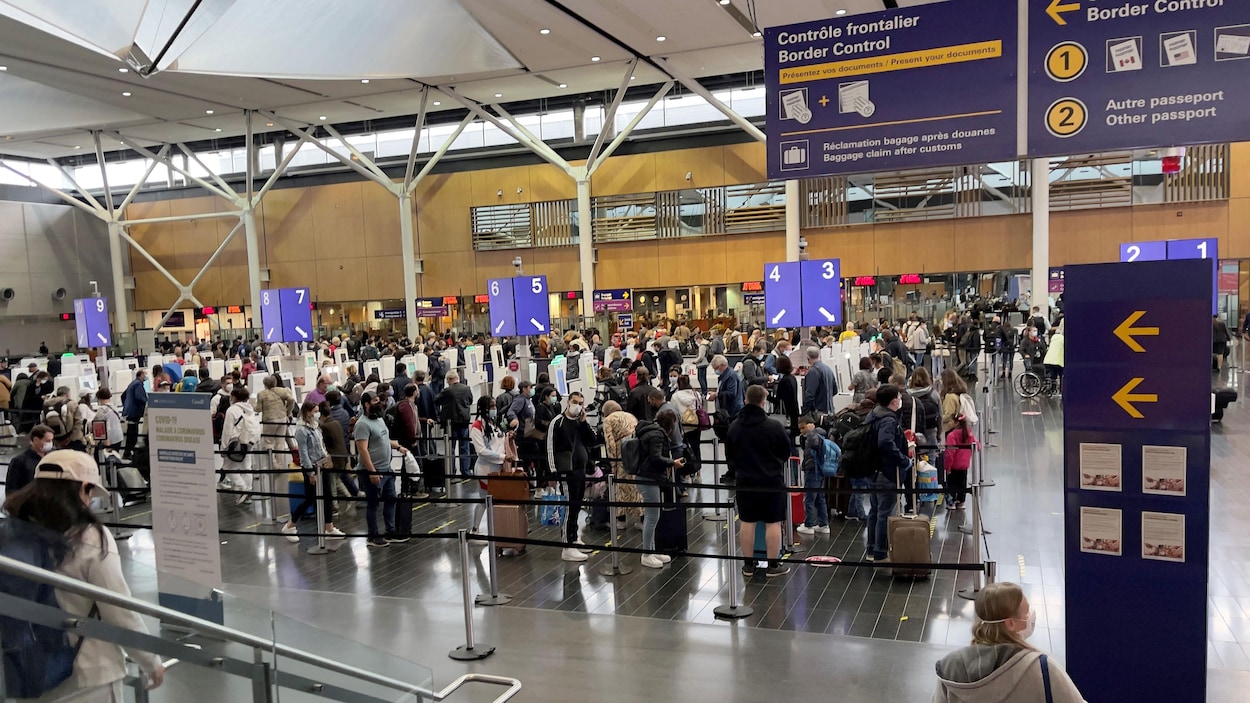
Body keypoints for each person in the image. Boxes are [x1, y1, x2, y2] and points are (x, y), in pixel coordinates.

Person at [2, 451, 165, 699]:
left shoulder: (15, 530)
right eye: (89, 492)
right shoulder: (89, 536)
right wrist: (149, 659)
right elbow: (118, 608)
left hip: (31, 669)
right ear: (83, 488)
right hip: (89, 672)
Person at [933, 582, 1086, 702]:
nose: (1031, 616)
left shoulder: (950, 669)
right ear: (1010, 624)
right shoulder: (1043, 669)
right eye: (1026, 612)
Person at [727, 384, 792, 577]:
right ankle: (773, 565)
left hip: (745, 481)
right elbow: (785, 452)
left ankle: (748, 564)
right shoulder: (774, 426)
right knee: (773, 523)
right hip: (771, 480)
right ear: (763, 402)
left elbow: (730, 456)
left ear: (746, 399)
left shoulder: (735, 426)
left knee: (747, 522)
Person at [545, 391, 598, 562]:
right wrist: (553, 472)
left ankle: (574, 537)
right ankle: (567, 545)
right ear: (569, 402)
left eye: (581, 403)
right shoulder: (558, 422)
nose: (578, 405)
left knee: (577, 505)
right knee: (569, 507)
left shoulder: (580, 423)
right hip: (566, 470)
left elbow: (592, 440)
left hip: (581, 469)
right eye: (575, 402)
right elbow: (550, 447)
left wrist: (583, 423)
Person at [354, 391, 411, 548]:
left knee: (391, 499)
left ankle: (390, 531)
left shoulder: (379, 419)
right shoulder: (362, 424)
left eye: (379, 400)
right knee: (373, 504)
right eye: (375, 401)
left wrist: (398, 447)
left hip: (386, 469)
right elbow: (363, 450)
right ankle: (373, 536)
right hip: (372, 471)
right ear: (366, 404)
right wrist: (372, 471)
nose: (379, 404)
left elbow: (385, 439)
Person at [865, 384, 913, 562]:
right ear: (894, 401)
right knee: (884, 513)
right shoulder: (888, 420)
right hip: (886, 472)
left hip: (873, 470)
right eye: (899, 398)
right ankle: (880, 552)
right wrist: (903, 460)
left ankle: (871, 549)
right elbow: (885, 443)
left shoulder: (874, 413)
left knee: (875, 511)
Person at [285, 401, 345, 542]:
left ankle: (329, 528)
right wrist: (310, 473)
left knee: (328, 497)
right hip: (313, 467)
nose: (317, 413)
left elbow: (321, 445)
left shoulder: (316, 425)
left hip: (323, 465)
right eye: (315, 411)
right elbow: (304, 454)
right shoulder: (301, 430)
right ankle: (290, 525)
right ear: (307, 412)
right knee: (310, 499)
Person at [633, 409, 684, 569]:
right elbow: (655, 457)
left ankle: (652, 550)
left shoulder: (650, 430)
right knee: (652, 516)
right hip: (649, 477)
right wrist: (672, 463)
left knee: (653, 515)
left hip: (647, 476)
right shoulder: (657, 435)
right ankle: (647, 553)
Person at [469, 396, 508, 534]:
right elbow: (481, 451)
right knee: (484, 500)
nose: (494, 409)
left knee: (500, 499)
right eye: (491, 406)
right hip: (485, 469)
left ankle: (502, 528)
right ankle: (475, 529)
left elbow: (499, 440)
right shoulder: (477, 427)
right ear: (484, 408)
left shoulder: (494, 423)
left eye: (494, 406)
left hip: (500, 466)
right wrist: (502, 457)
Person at [600, 400, 642, 528]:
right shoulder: (630, 416)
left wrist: (613, 463)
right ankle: (642, 520)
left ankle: (621, 520)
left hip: (621, 454)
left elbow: (610, 443)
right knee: (636, 487)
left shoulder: (608, 420)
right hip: (636, 452)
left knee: (620, 488)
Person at [220, 386, 259, 505]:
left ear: (234, 397)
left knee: (229, 468)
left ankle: (243, 489)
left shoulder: (232, 410)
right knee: (246, 467)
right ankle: (248, 491)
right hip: (248, 441)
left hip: (234, 442)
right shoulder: (250, 408)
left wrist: (223, 447)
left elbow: (227, 430)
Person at [796, 415, 830, 536]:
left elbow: (814, 444)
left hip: (813, 471)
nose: (802, 431)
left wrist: (810, 432)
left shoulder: (814, 435)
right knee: (820, 498)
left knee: (809, 499)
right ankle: (823, 524)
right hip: (819, 471)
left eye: (803, 428)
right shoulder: (821, 434)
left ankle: (808, 524)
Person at [434, 371, 474, 477]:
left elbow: (436, 400)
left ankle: (451, 471)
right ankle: (465, 471)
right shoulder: (466, 389)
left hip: (450, 423)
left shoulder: (447, 391)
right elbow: (470, 401)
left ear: (449, 380)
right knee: (465, 447)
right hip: (464, 422)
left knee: (450, 448)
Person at [944, 411, 980, 510]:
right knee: (962, 483)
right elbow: (978, 446)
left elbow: (950, 453)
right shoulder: (969, 434)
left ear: (956, 423)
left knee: (951, 483)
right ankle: (961, 501)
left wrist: (947, 467)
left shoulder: (952, 435)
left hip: (953, 465)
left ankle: (952, 502)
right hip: (964, 464)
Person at [5, 424, 54, 497]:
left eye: (51, 440)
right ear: (36, 440)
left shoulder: (53, 457)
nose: (50, 443)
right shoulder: (20, 461)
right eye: (47, 440)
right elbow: (11, 489)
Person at [120, 368, 148, 459]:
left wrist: (126, 406)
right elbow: (140, 397)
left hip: (130, 411)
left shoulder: (133, 383)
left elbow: (123, 395)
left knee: (131, 432)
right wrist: (147, 403)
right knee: (133, 434)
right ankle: (127, 453)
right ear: (141, 375)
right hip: (134, 412)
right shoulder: (138, 384)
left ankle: (127, 452)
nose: (146, 376)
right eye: (145, 374)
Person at [801, 347, 837, 416]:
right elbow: (835, 390)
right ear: (819, 355)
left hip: (818, 413)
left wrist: (804, 413)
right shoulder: (828, 369)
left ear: (808, 358)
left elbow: (809, 395)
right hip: (830, 411)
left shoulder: (813, 372)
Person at [774, 356, 800, 439]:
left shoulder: (784, 381)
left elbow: (779, 400)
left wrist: (766, 396)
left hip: (787, 416)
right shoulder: (792, 378)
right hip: (794, 413)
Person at [1043, 327, 1065, 396]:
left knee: (1053, 376)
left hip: (1049, 359)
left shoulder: (1053, 338)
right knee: (1061, 376)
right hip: (1058, 360)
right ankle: (1061, 391)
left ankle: (1053, 390)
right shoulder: (1063, 339)